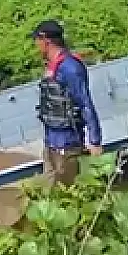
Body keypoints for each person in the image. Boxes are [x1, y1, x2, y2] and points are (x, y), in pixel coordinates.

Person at [31, 20, 104, 187]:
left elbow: (85, 103)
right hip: (51, 143)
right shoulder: (52, 66)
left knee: (67, 190)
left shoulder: (70, 68)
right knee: (49, 191)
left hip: (68, 143)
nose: (36, 45)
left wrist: (95, 140)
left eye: (37, 40)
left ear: (46, 40)